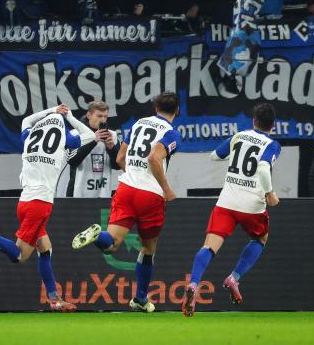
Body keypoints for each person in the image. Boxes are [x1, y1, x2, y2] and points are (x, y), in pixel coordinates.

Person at [0, 104, 97, 311]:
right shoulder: (64, 138)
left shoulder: (30, 135)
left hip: (25, 201)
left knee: (45, 249)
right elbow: (89, 133)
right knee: (20, 255)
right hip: (40, 204)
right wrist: (68, 115)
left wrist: (51, 110)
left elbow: (27, 121)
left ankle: (54, 300)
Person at [71, 92, 181, 313]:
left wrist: (134, 175)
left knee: (111, 244)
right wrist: (167, 189)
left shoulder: (139, 124)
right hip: (150, 195)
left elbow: (121, 158)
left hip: (126, 188)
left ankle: (96, 235)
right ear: (177, 111)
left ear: (155, 108)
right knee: (148, 248)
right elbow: (154, 158)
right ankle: (140, 298)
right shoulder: (171, 133)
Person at [181, 102, 281, 317]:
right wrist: (270, 192)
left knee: (209, 247)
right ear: (272, 125)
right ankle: (234, 277)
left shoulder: (239, 136)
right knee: (260, 240)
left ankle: (194, 283)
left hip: (226, 202)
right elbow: (263, 167)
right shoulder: (272, 144)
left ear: (253, 121)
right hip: (252, 206)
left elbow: (215, 155)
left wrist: (235, 153)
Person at [66, 101, 120, 198]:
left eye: (105, 116)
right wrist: (93, 141)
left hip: (103, 193)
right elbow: (72, 160)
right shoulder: (75, 134)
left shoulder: (112, 135)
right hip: (78, 194)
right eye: (99, 116)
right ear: (89, 115)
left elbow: (118, 165)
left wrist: (111, 148)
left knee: (104, 214)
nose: (103, 120)